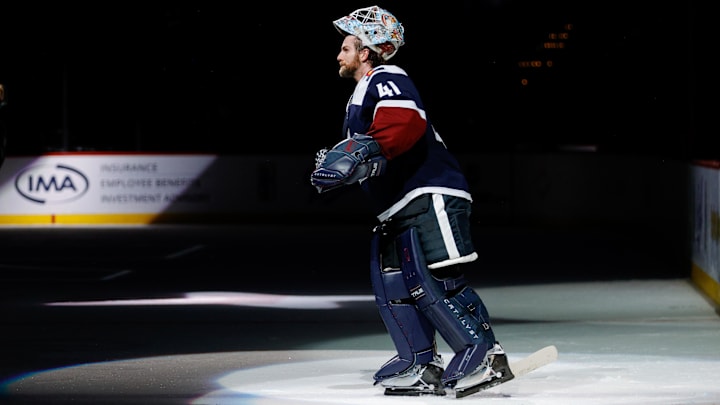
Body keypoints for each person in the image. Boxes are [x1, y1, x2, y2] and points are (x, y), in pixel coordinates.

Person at [310, 5, 514, 398]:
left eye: (346, 48)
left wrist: (359, 151)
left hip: (429, 191)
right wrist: (351, 163)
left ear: (365, 52)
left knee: (436, 281)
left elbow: (403, 123)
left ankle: (484, 354)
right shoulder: (360, 94)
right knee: (394, 285)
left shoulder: (387, 76)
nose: (339, 55)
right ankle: (421, 362)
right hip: (399, 204)